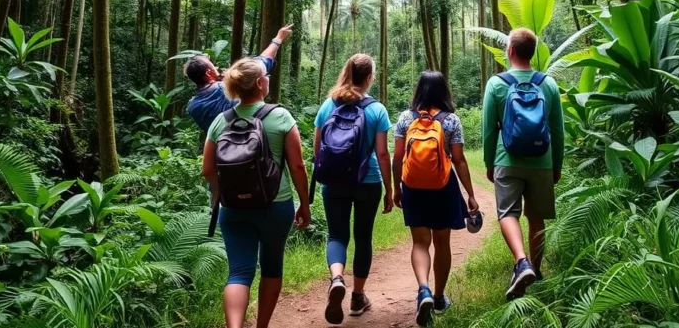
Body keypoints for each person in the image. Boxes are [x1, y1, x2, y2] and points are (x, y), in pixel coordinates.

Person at [202, 56, 311, 328]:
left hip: (232, 209)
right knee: (271, 268)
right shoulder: (281, 116)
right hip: (275, 205)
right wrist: (305, 203)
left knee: (239, 272)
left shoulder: (221, 121)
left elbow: (207, 169)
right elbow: (297, 165)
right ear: (260, 84)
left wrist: (221, 195)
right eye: (266, 76)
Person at [482, 28, 565, 300]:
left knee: (508, 213)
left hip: (507, 159)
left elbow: (489, 130)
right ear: (533, 53)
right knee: (536, 216)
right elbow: (558, 130)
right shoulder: (548, 84)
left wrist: (489, 162)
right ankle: (536, 272)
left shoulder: (496, 84)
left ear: (510, 51)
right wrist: (556, 164)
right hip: (542, 161)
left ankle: (521, 262)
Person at [392, 71, 479, 326]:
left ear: (418, 90)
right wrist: (470, 194)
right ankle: (439, 297)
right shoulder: (451, 120)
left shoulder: (405, 118)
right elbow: (459, 160)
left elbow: (398, 157)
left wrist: (397, 188)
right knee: (442, 243)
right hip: (443, 187)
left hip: (413, 187)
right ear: (444, 91)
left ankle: (423, 289)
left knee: (420, 242)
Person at [313, 54, 393, 325]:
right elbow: (383, 154)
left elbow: (318, 147)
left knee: (337, 235)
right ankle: (357, 297)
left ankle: (337, 278)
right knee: (363, 237)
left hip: (333, 181)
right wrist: (390, 189)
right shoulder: (377, 110)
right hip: (367, 181)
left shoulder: (328, 104)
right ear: (369, 78)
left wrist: (325, 174)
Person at [184, 24, 293, 152]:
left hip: (224, 155)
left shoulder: (192, 107)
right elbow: (262, 62)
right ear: (208, 73)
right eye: (213, 66)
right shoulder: (231, 86)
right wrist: (278, 39)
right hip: (254, 149)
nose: (216, 67)